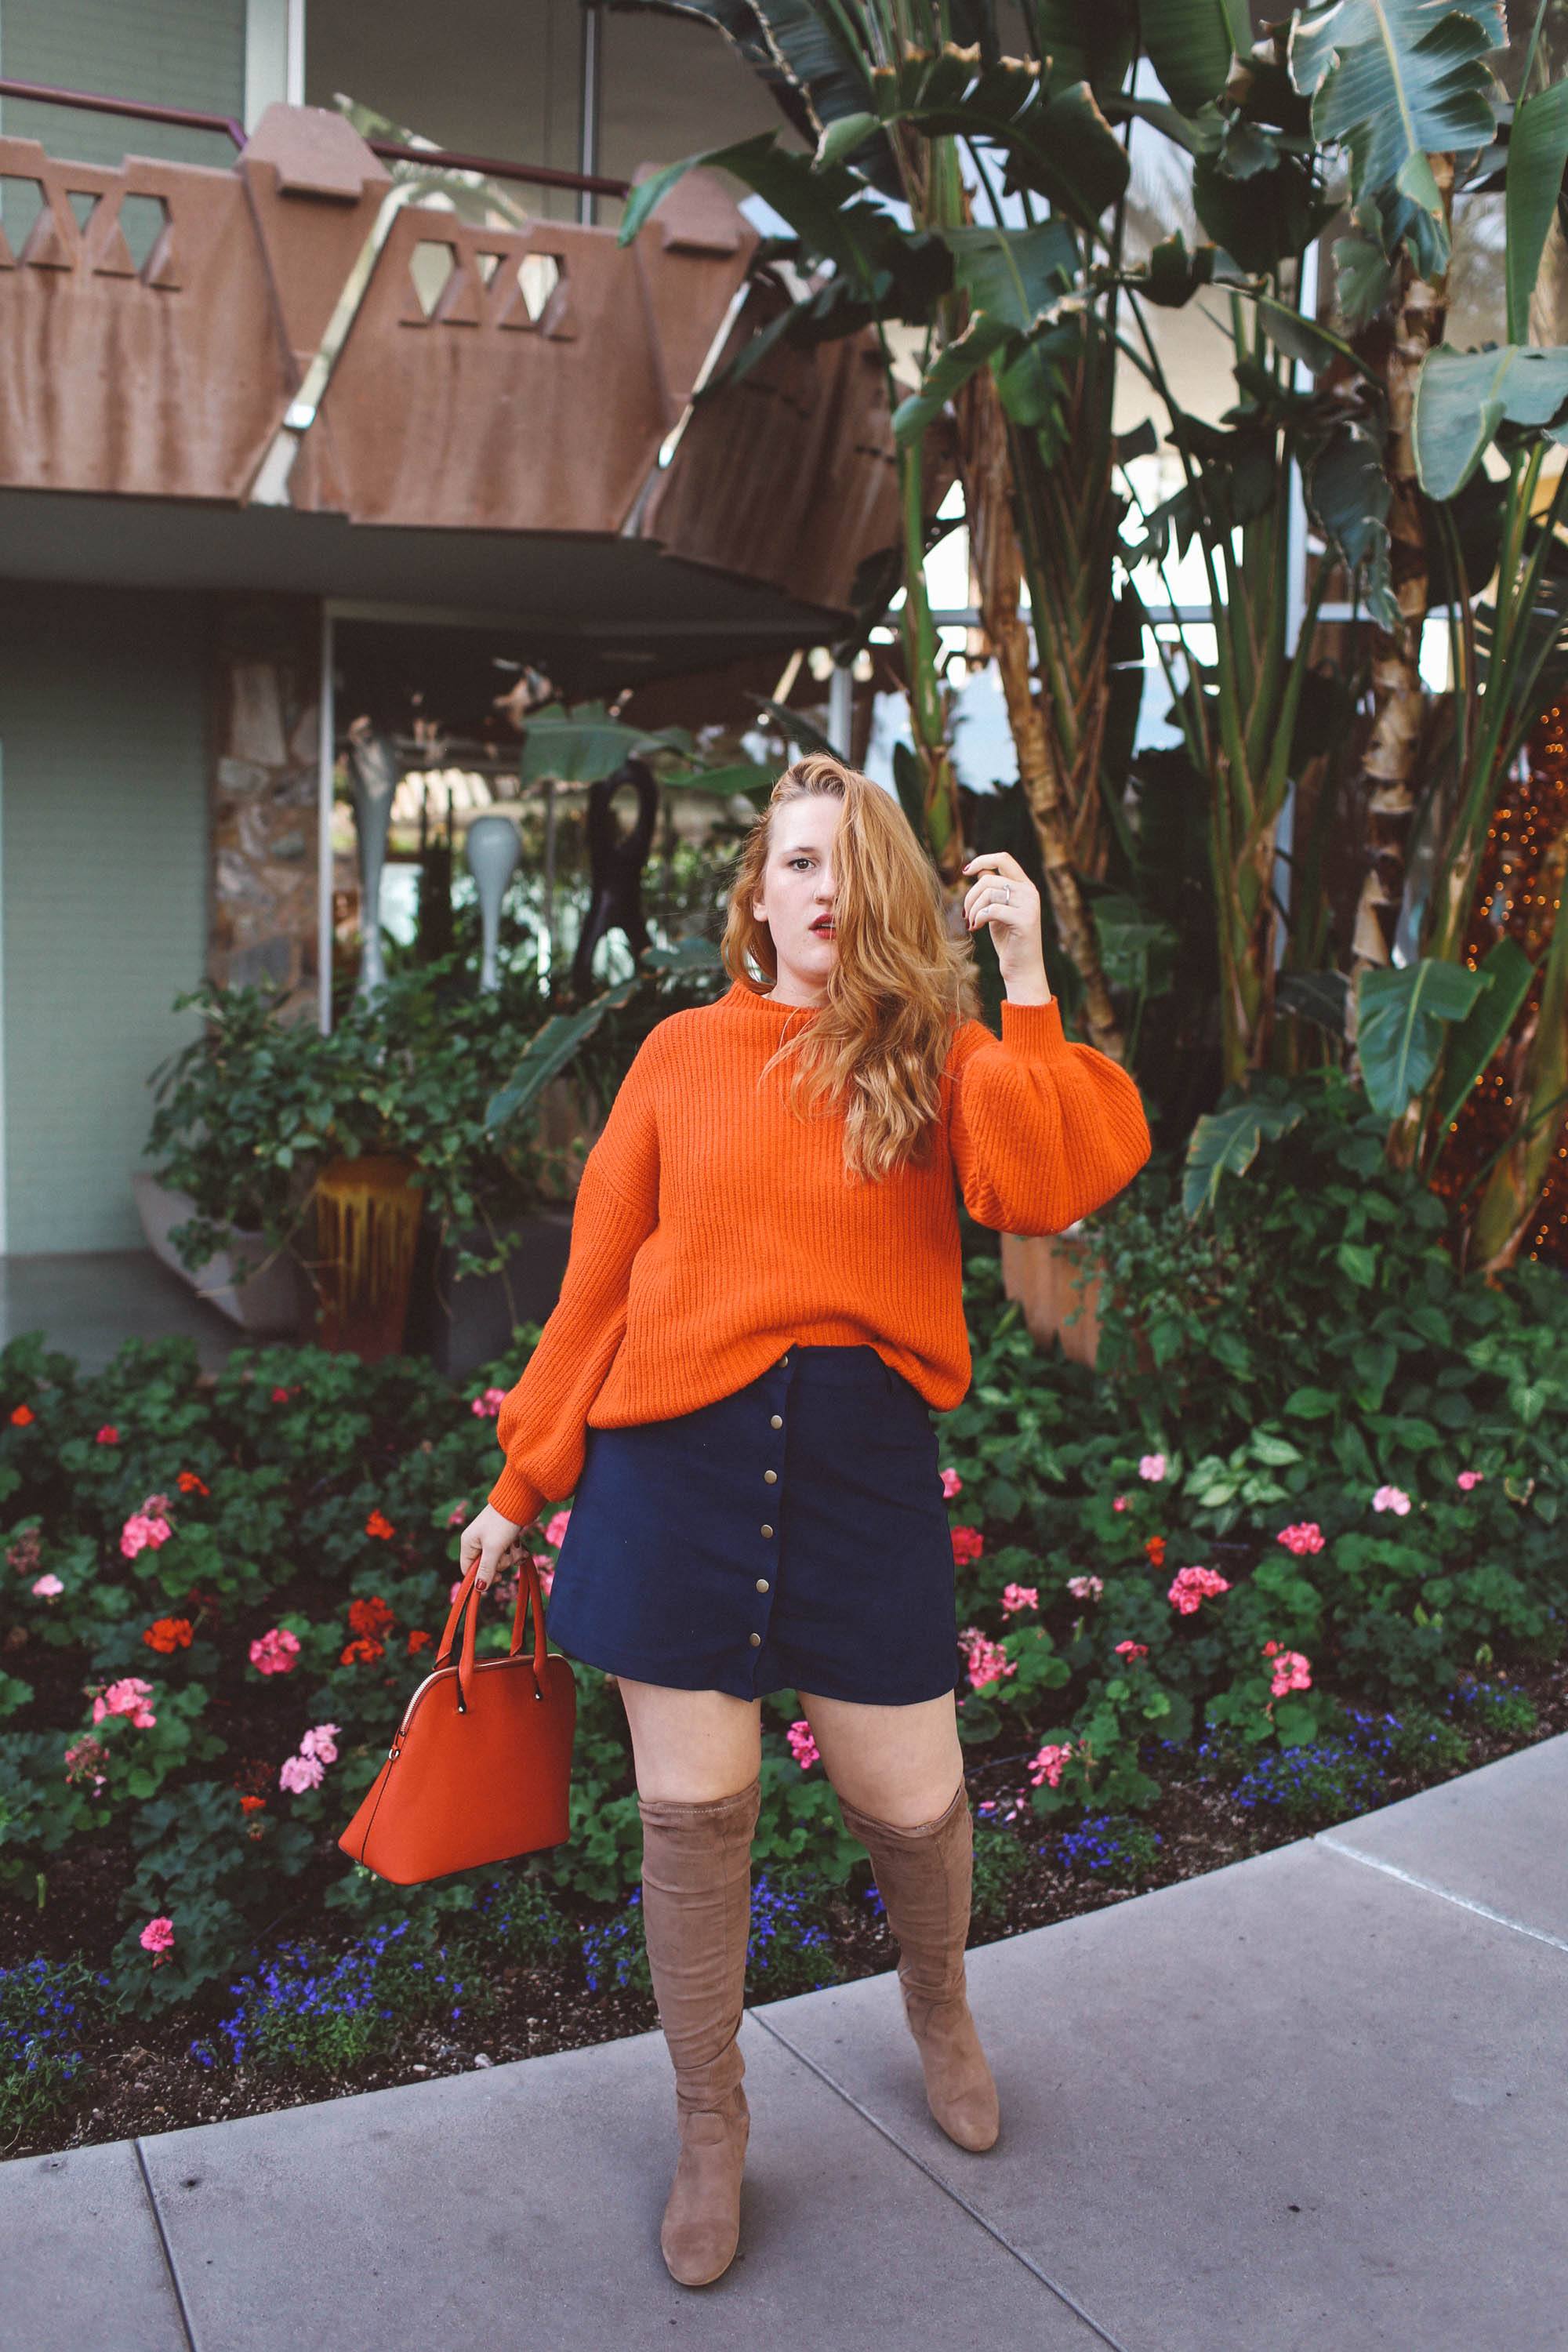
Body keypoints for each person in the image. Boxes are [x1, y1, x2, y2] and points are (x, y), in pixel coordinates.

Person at [459, 753, 1151, 2288]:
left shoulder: (935, 1054)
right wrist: (521, 1488)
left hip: (859, 1462)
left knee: (912, 1800)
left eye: (847, 864)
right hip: (670, 1466)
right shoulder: (676, 1057)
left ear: (882, 892)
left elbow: (1049, 1182)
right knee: (693, 1827)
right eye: (793, 862)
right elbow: (595, 1287)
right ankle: (712, 2128)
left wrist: (1025, 972)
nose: (820, 889)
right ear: (752, 891)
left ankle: (939, 2005)